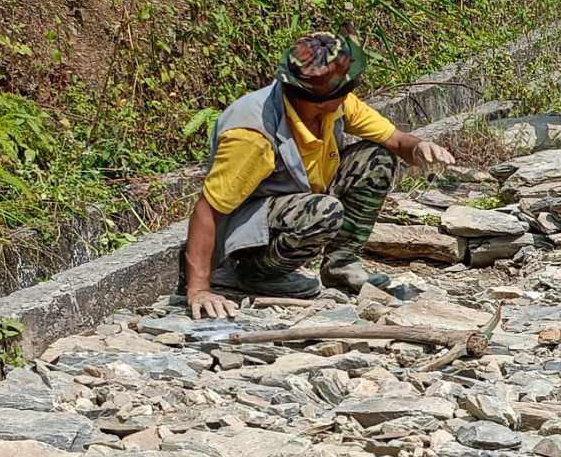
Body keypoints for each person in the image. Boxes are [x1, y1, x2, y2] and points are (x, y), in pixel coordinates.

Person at [181, 32, 454, 319]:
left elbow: (395, 141)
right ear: (321, 98)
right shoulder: (252, 135)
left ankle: (341, 264)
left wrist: (419, 147)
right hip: (246, 236)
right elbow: (207, 210)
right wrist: (199, 289)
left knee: (376, 158)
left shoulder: (336, 105)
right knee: (325, 211)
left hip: (299, 205)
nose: (349, 93)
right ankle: (249, 276)